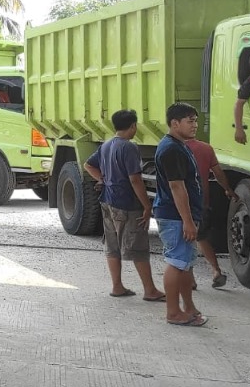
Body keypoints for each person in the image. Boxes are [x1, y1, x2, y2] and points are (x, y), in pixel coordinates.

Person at [84, 110, 163, 301]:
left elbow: (88, 165)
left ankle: (117, 286)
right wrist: (147, 206)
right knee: (138, 246)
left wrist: (103, 179)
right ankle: (150, 290)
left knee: (112, 245)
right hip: (127, 203)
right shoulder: (129, 147)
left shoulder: (106, 145)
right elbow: (135, 179)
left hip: (107, 200)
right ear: (133, 126)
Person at [152, 103, 207, 326]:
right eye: (190, 121)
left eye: (195, 121)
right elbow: (177, 186)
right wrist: (187, 221)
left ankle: (189, 307)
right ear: (175, 123)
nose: (195, 125)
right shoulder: (171, 149)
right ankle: (173, 312)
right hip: (175, 216)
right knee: (176, 262)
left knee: (185, 263)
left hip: (180, 215)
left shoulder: (178, 145)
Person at [183, 135, 237, 288]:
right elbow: (218, 173)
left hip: (181, 203)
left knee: (185, 240)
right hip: (202, 201)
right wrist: (227, 189)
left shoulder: (174, 147)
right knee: (201, 237)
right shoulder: (206, 148)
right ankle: (216, 270)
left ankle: (191, 279)